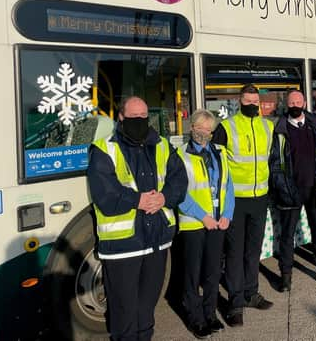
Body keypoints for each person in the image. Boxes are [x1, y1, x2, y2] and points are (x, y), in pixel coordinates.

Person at [87, 96, 187, 340]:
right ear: (121, 117)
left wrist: (164, 198)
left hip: (156, 242)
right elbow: (104, 192)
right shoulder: (103, 148)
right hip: (123, 247)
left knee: (147, 309)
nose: (140, 121)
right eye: (133, 117)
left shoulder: (162, 144)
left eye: (144, 117)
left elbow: (179, 179)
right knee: (124, 312)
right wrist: (138, 200)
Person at [212, 84, 274, 327]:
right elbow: (215, 164)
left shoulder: (267, 126)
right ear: (240, 101)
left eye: (254, 100)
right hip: (235, 200)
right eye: (247, 100)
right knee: (235, 254)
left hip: (260, 198)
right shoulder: (227, 127)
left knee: (253, 252)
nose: (251, 104)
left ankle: (251, 293)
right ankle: (235, 303)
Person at [269, 90, 316, 291]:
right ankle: (285, 277)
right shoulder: (279, 130)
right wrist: (283, 187)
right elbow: (274, 164)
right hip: (290, 192)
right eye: (291, 102)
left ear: (305, 103)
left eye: (298, 101)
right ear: (286, 104)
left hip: (314, 188)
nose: (295, 105)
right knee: (287, 235)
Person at [177, 109, 235, 339]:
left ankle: (210, 314)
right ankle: (195, 318)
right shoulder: (180, 155)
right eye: (200, 128)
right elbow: (179, 193)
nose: (204, 132)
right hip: (194, 223)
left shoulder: (219, 152)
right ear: (192, 128)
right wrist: (204, 217)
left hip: (218, 222)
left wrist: (227, 214)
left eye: (208, 129)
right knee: (192, 273)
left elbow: (228, 185)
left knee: (212, 272)